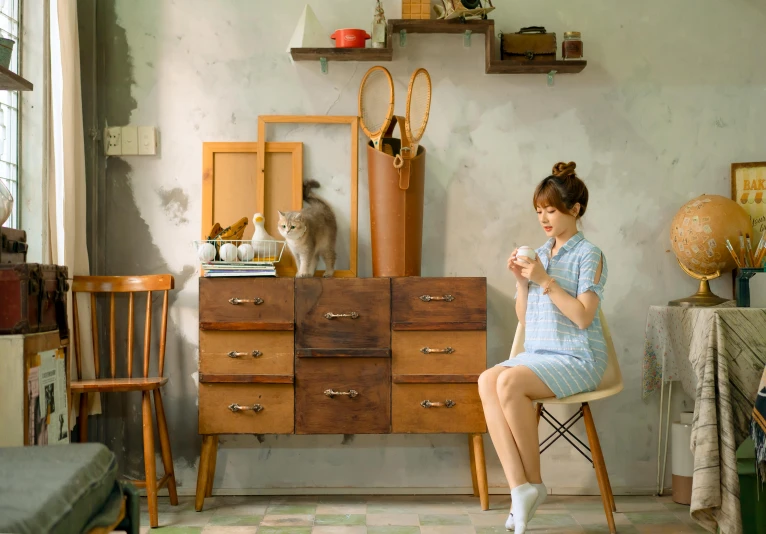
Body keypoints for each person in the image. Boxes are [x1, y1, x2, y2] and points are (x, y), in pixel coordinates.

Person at [478, 162, 608, 533]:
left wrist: (544, 280)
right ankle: (524, 487)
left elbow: (583, 317)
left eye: (550, 210)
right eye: (539, 211)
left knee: (508, 384)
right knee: (487, 380)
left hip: (578, 357)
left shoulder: (590, 255)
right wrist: (522, 283)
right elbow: (526, 318)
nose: (544, 218)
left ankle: (530, 486)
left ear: (576, 209)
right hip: (539, 353)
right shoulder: (539, 252)